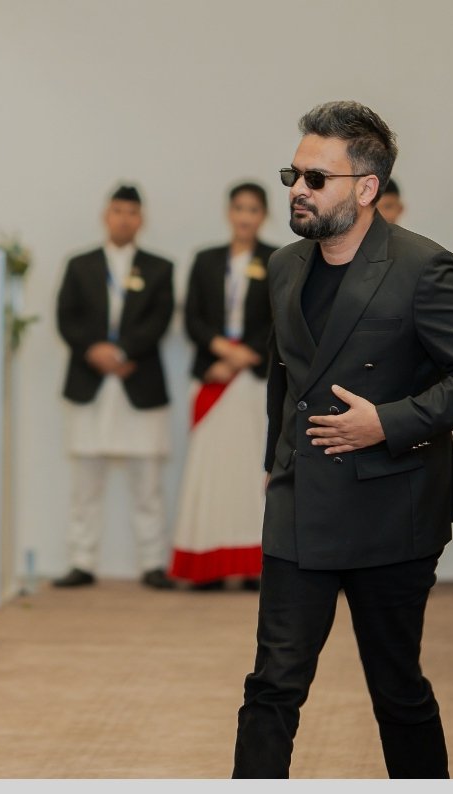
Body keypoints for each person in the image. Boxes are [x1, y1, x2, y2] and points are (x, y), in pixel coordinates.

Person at [231, 100, 453, 779]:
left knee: (396, 690)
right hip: (300, 503)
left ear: (365, 188)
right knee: (272, 686)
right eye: (293, 175)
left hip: (391, 509)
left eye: (315, 178)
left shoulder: (423, 267)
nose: (297, 190)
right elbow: (284, 376)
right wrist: (275, 464)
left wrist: (386, 422)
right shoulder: (284, 266)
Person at [53, 184, 176, 590]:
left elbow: (158, 320)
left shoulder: (159, 268)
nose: (124, 219)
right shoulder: (80, 264)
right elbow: (66, 317)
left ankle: (152, 563)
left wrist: (123, 351)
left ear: (141, 219)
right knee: (85, 484)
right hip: (90, 381)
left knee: (147, 484)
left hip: (138, 382)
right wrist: (96, 351)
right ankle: (81, 561)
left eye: (132, 212)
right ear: (106, 216)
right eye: (118, 211)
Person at [169, 182, 278, 591]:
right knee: (210, 472)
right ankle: (207, 565)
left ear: (263, 215)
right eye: (239, 208)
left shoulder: (277, 259)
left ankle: (253, 565)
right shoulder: (206, 259)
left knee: (250, 472)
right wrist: (221, 350)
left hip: (252, 378)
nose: (245, 216)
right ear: (228, 212)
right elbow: (192, 317)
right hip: (212, 374)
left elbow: (280, 317)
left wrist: (246, 354)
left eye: (253, 209)